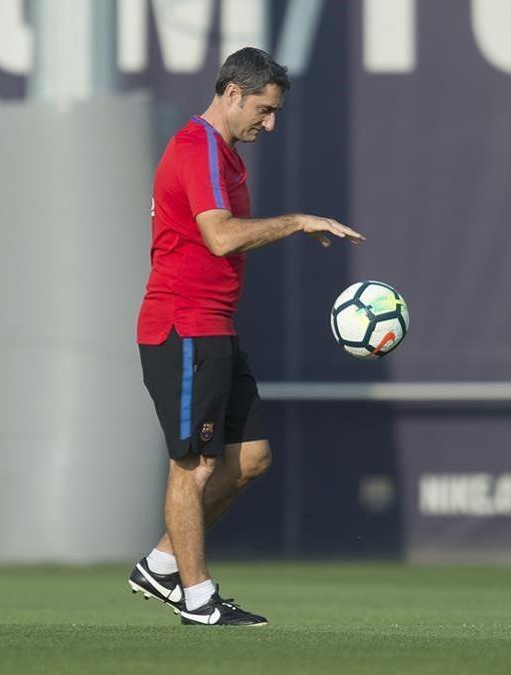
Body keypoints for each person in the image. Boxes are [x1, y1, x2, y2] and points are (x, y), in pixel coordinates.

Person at [128, 47, 364, 627]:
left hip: (214, 329)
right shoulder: (198, 146)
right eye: (264, 108)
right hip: (184, 327)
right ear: (232, 94)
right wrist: (298, 221)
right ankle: (199, 600)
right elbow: (221, 238)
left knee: (252, 459)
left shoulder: (223, 154)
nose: (271, 122)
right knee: (194, 467)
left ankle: (162, 564)